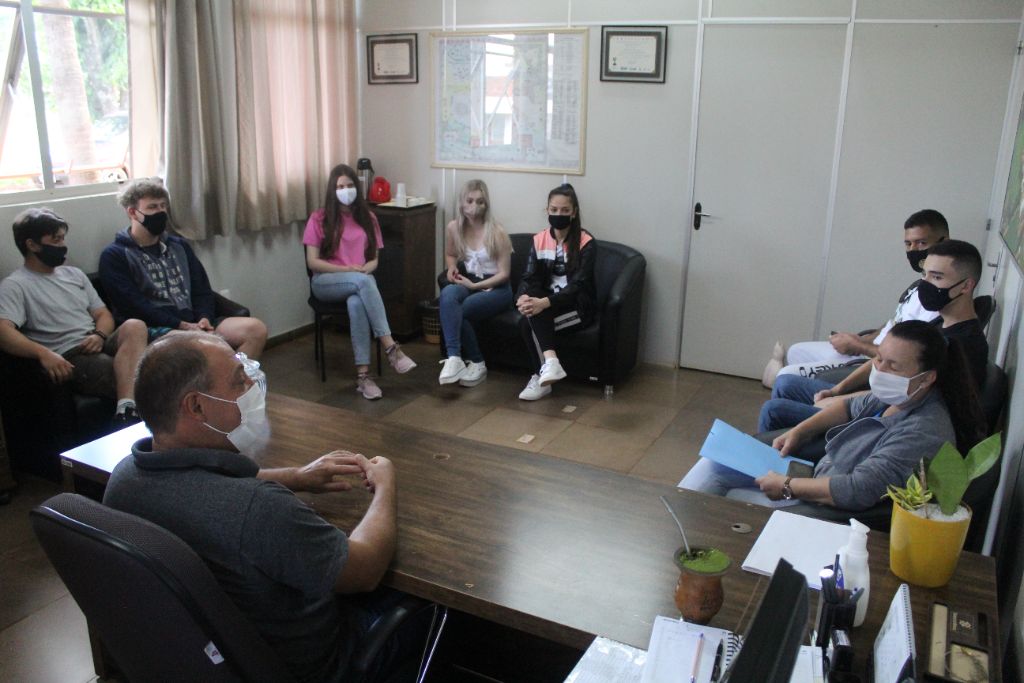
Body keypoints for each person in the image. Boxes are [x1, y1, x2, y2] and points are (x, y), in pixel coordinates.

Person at [103, 332, 421, 682]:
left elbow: (205, 483)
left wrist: (296, 477)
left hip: (209, 659)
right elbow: (364, 570)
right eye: (239, 382)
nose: (252, 386)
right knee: (428, 610)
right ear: (197, 407)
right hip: (323, 664)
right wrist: (386, 484)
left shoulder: (125, 479)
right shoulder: (260, 510)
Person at [682, 321, 986, 511]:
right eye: (879, 359)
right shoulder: (902, 395)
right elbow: (847, 408)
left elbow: (856, 489)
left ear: (928, 377)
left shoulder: (923, 430)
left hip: (824, 507)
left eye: (893, 366)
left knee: (720, 487)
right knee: (713, 464)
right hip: (816, 476)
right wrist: (799, 432)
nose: (880, 371)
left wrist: (786, 486)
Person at [760, 239, 988, 432]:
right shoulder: (939, 322)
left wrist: (839, 403)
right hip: (869, 402)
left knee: (774, 410)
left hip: (880, 423)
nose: (925, 285)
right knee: (785, 382)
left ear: (966, 286)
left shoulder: (963, 345)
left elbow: (902, 403)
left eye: (936, 278)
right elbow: (882, 357)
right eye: (924, 275)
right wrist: (837, 390)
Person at [0, 208, 147, 425]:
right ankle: (128, 411)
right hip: (71, 354)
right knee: (148, 377)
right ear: (32, 245)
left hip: (99, 340)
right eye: (56, 239)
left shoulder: (74, 274)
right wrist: (43, 353)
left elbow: (102, 314)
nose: (62, 245)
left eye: (63, 238)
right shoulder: (15, 285)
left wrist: (99, 335)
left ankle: (127, 407)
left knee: (135, 325)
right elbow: (4, 332)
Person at [99, 177, 268, 359]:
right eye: (152, 207)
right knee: (204, 345)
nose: (160, 211)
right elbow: (133, 305)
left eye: (163, 206)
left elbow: (201, 289)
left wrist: (204, 318)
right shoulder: (114, 255)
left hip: (194, 322)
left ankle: (237, 376)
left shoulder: (179, 246)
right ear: (133, 212)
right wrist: (181, 325)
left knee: (255, 330)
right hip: (155, 328)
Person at [770, 209, 948, 381]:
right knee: (796, 351)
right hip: (868, 350)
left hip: (876, 364)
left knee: (785, 376)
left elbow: (904, 358)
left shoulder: (937, 298)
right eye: (908, 244)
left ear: (943, 242)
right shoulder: (918, 286)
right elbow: (894, 323)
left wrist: (859, 346)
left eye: (921, 243)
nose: (914, 250)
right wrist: (861, 340)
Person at [303, 164, 416, 400]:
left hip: (359, 280)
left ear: (357, 187)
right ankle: (391, 347)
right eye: (340, 187)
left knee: (357, 301)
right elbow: (312, 262)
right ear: (332, 190)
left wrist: (366, 268)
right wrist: (347, 270)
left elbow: (374, 258)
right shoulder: (319, 218)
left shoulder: (368, 218)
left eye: (349, 185)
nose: (345, 190)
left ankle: (363, 377)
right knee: (363, 283)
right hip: (326, 281)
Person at [515, 183, 596, 401]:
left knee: (529, 323)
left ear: (574, 212)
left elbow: (578, 286)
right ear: (547, 210)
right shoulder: (539, 239)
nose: (558, 214)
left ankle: (542, 375)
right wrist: (523, 298)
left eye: (564, 210)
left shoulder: (586, 243)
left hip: (578, 308)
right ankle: (548, 368)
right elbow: (529, 277)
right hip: (548, 305)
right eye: (554, 210)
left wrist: (543, 303)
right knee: (529, 315)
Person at [437, 179, 513, 387]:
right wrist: (452, 267)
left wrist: (474, 287)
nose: (474, 206)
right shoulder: (454, 227)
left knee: (462, 310)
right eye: (469, 201)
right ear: (461, 202)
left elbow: (504, 274)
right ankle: (454, 358)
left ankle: (478, 362)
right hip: (471, 281)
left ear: (486, 204)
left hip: (497, 288)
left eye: (480, 201)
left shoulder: (497, 232)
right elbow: (451, 254)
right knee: (448, 294)